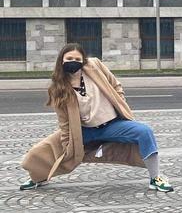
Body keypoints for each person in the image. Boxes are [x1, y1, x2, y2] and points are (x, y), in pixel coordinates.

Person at [20, 44, 173, 192]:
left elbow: (115, 85)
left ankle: (155, 178)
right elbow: (64, 121)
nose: (73, 62)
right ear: (62, 60)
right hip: (83, 130)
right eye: (69, 58)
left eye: (77, 59)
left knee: (144, 132)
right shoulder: (58, 88)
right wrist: (68, 145)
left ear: (83, 60)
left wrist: (120, 101)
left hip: (111, 125)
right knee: (42, 151)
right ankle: (37, 178)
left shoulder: (95, 66)